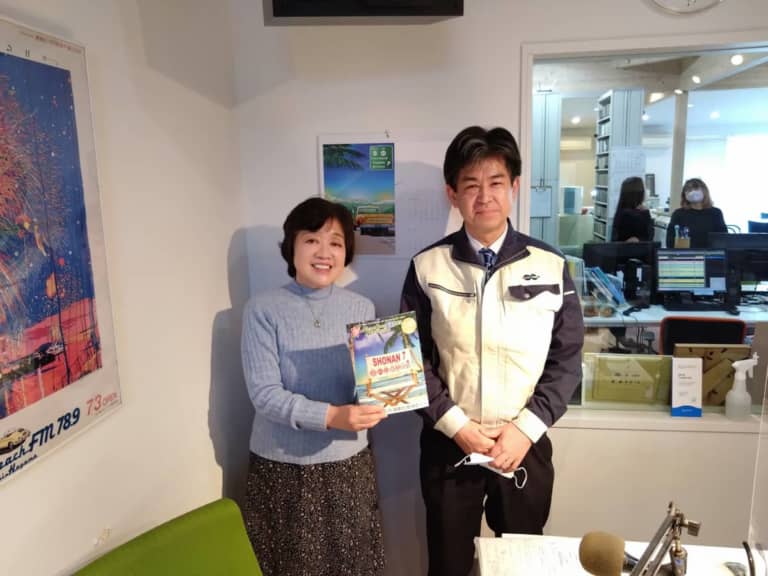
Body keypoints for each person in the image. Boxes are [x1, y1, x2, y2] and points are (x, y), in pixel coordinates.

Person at [400, 126, 584, 576]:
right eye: (471, 185)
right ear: (452, 194)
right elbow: (412, 360)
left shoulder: (550, 265)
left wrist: (525, 429)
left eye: (496, 182)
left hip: (523, 445)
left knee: (521, 565)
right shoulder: (427, 266)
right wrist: (457, 426)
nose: (485, 196)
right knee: (449, 565)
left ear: (514, 187)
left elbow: (566, 359)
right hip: (450, 444)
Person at [241, 197, 387, 576]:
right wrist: (332, 416)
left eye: (335, 243)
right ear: (292, 246)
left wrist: (383, 396)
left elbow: (370, 385)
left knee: (352, 566)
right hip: (282, 470)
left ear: (346, 252)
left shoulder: (363, 308)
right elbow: (265, 395)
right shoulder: (262, 309)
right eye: (311, 240)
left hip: (348, 466)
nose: (324, 253)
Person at [665, 177, 727, 249]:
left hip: (710, 254)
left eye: (696, 189)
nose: (692, 192)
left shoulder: (716, 213)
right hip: (685, 254)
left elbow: (723, 239)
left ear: (704, 191)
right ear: (684, 195)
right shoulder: (678, 214)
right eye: (689, 190)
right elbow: (670, 241)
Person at [611, 176, 654, 242]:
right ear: (639, 193)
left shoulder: (621, 212)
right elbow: (649, 237)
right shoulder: (635, 215)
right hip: (637, 248)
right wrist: (646, 213)